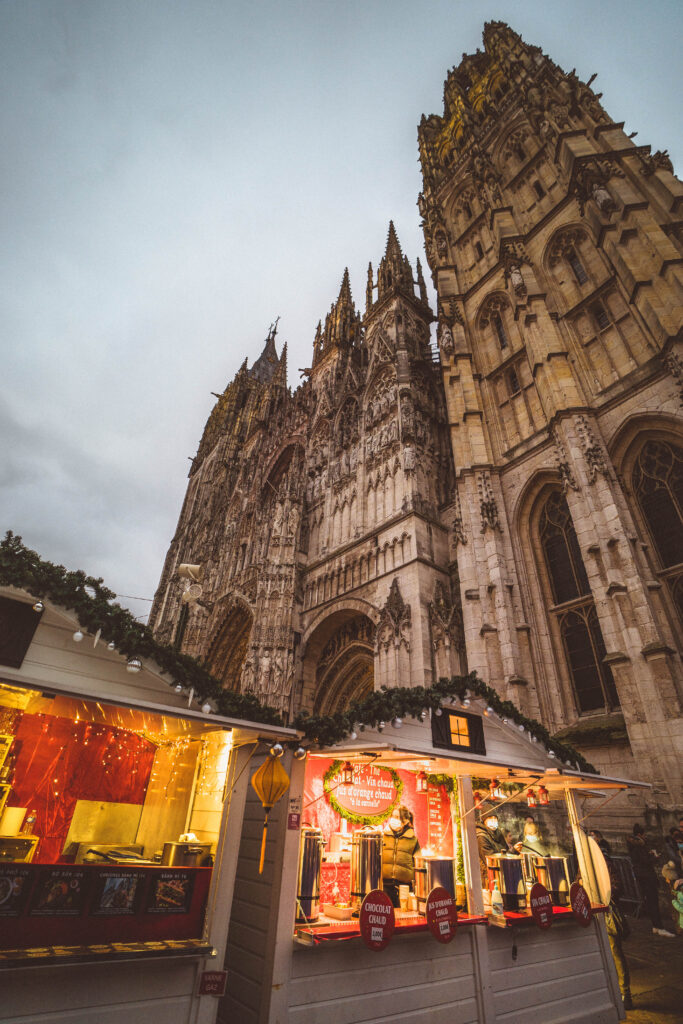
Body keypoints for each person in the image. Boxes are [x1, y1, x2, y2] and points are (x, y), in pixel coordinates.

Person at [626, 823, 674, 937]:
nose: (645, 836)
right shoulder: (638, 846)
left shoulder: (634, 846)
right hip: (647, 876)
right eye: (644, 834)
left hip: (643, 876)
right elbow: (645, 861)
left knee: (650, 901)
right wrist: (655, 857)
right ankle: (659, 926)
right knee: (653, 901)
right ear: (639, 834)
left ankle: (656, 926)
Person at [381, 806, 420, 909]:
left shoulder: (413, 840)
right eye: (393, 816)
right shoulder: (383, 836)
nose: (393, 819)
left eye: (397, 817)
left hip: (405, 888)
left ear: (405, 820)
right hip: (385, 886)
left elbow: (418, 863)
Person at [476, 810, 510, 888]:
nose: (493, 820)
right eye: (490, 818)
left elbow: (506, 852)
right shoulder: (481, 836)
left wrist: (514, 852)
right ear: (484, 820)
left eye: (495, 818)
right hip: (489, 877)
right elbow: (490, 860)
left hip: (502, 874)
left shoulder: (498, 833)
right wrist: (513, 851)